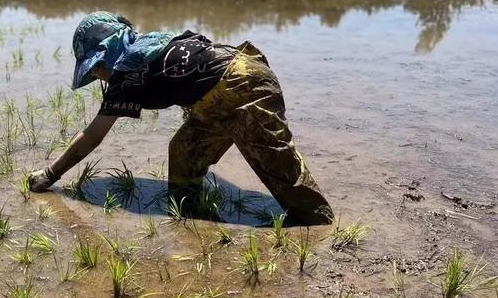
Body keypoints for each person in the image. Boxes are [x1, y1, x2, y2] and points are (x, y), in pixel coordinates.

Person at [28, 11, 333, 225]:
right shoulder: (149, 43)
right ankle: (198, 220)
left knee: (281, 171)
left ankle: (319, 227)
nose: (98, 75)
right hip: (219, 93)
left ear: (109, 52)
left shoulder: (125, 75)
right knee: (184, 152)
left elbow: (93, 136)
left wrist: (51, 174)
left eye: (96, 67)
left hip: (243, 87)